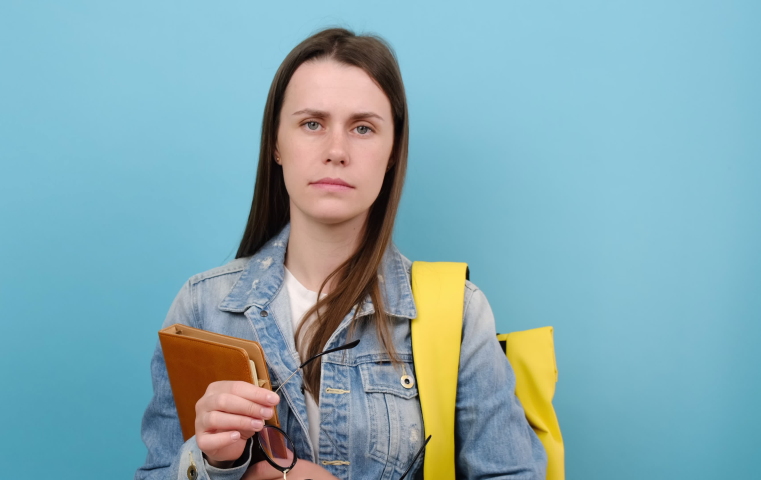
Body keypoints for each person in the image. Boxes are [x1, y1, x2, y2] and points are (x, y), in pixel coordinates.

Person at [135, 28, 547, 480]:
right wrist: (215, 464)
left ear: (393, 151)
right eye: (312, 123)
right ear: (276, 142)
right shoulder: (201, 309)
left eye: (363, 128)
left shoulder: (460, 314)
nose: (336, 151)